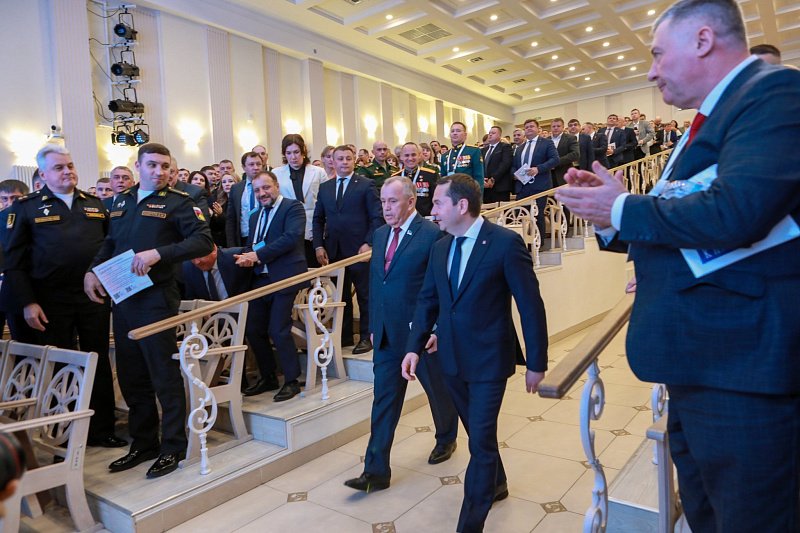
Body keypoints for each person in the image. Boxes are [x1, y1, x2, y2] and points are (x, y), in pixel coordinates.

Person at [555, 1, 800, 530]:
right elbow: (683, 226)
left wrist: (623, 208)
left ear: (703, 40)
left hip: (740, 373)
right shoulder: (706, 123)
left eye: (658, 54)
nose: (651, 71)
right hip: (700, 367)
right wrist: (612, 213)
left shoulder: (775, 92)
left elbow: (737, 211)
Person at [401, 174, 548, 533]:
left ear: (461, 205)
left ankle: (469, 525)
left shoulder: (505, 243)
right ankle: (497, 483)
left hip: (489, 362)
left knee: (480, 443)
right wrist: (414, 347)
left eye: (438, 203)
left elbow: (530, 306)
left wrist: (536, 362)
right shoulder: (440, 247)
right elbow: (428, 301)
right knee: (478, 434)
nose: (432, 210)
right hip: (451, 360)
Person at [85, 143, 214, 479]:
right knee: (132, 375)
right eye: (153, 165)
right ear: (138, 166)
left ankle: (173, 445)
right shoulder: (121, 201)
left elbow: (202, 241)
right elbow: (110, 243)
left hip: (156, 298)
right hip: (124, 296)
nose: (159, 172)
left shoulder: (179, 201)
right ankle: (143, 443)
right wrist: (92, 270)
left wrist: (159, 253)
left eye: (165, 166)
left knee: (162, 374)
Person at [4, 145, 125, 448]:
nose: (67, 171)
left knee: (97, 360)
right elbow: (13, 261)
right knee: (61, 365)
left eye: (70, 165)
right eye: (59, 168)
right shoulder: (26, 208)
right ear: (43, 174)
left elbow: (111, 246)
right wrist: (27, 302)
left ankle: (101, 429)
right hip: (49, 301)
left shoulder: (95, 204)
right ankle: (62, 434)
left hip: (92, 296)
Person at [344, 176, 458, 494]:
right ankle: (375, 471)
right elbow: (378, 282)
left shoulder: (432, 234)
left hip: (421, 335)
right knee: (384, 401)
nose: (386, 207)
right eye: (383, 201)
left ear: (411, 201)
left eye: (392, 201)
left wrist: (435, 329)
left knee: (438, 391)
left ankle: (446, 437)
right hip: (386, 335)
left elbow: (442, 287)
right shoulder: (380, 235)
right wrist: (373, 324)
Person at [234, 171, 307, 401]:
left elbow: (291, 238)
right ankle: (268, 376)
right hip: (260, 278)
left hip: (285, 277)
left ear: (276, 185)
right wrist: (244, 256)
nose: (262, 193)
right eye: (257, 190)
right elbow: (252, 244)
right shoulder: (255, 215)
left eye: (266, 187)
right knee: (253, 328)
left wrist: (258, 255)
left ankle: (292, 380)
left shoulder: (293, 207)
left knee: (278, 328)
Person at [312, 145, 383, 354]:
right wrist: (318, 245)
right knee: (340, 297)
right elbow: (318, 219)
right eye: (340, 158)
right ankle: (343, 336)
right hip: (334, 251)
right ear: (332, 161)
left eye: (348, 158)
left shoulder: (366, 184)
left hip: (360, 251)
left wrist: (369, 243)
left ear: (354, 161)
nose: (344, 162)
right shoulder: (325, 187)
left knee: (364, 295)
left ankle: (367, 336)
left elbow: (377, 217)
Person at [273, 134, 327, 267]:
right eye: (288, 153)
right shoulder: (276, 173)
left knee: (314, 269)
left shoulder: (319, 172)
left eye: (296, 152)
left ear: (303, 151)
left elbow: (326, 202)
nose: (293, 157)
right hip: (288, 228)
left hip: (313, 227)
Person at [511, 118, 559, 244]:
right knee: (521, 214)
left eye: (532, 126)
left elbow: (555, 159)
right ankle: (525, 243)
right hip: (522, 186)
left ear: (538, 129)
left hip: (540, 185)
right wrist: (515, 175)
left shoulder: (546, 143)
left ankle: (539, 243)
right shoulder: (520, 148)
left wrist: (538, 169)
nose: (529, 129)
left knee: (537, 215)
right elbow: (513, 165)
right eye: (526, 127)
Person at [181, 244, 250, 301]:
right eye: (192, 257)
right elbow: (191, 299)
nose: (197, 262)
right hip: (211, 313)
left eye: (200, 256)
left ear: (213, 250)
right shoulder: (188, 267)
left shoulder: (236, 256)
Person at [226, 151, 263, 247]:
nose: (256, 167)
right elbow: (231, 219)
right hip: (244, 238)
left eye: (258, 164)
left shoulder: (268, 187)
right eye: (251, 164)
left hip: (264, 237)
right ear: (243, 167)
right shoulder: (236, 189)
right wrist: (232, 245)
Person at [394, 142, 439, 217]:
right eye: (406, 155)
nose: (410, 158)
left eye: (413, 155)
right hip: (402, 219)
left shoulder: (430, 175)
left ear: (419, 156)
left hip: (424, 219)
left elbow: (436, 200)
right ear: (401, 157)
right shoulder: (395, 178)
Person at [441, 122, 484, 193]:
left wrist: (478, 196)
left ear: (465, 135)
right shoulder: (445, 155)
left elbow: (478, 177)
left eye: (458, 131)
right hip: (449, 193)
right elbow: (443, 177)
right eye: (452, 131)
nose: (455, 133)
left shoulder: (473, 151)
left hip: (467, 192)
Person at [481, 125, 513, 203]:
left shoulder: (505, 147)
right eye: (489, 133)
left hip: (500, 187)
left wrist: (493, 178)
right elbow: (481, 166)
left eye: (493, 133)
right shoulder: (483, 150)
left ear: (499, 135)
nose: (490, 135)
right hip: (486, 187)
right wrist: (482, 179)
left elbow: (505, 164)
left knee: (501, 210)